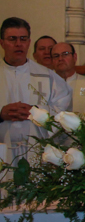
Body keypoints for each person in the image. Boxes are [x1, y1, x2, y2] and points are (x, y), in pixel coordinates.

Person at [0, 18, 71, 164]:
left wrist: (36, 112)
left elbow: (63, 112)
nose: (18, 44)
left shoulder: (48, 76)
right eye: (12, 39)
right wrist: (1, 114)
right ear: (2, 43)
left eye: (23, 39)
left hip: (37, 153)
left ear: (29, 42)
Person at [51, 42, 85, 115]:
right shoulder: (47, 84)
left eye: (65, 54)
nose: (60, 59)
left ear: (74, 57)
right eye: (56, 56)